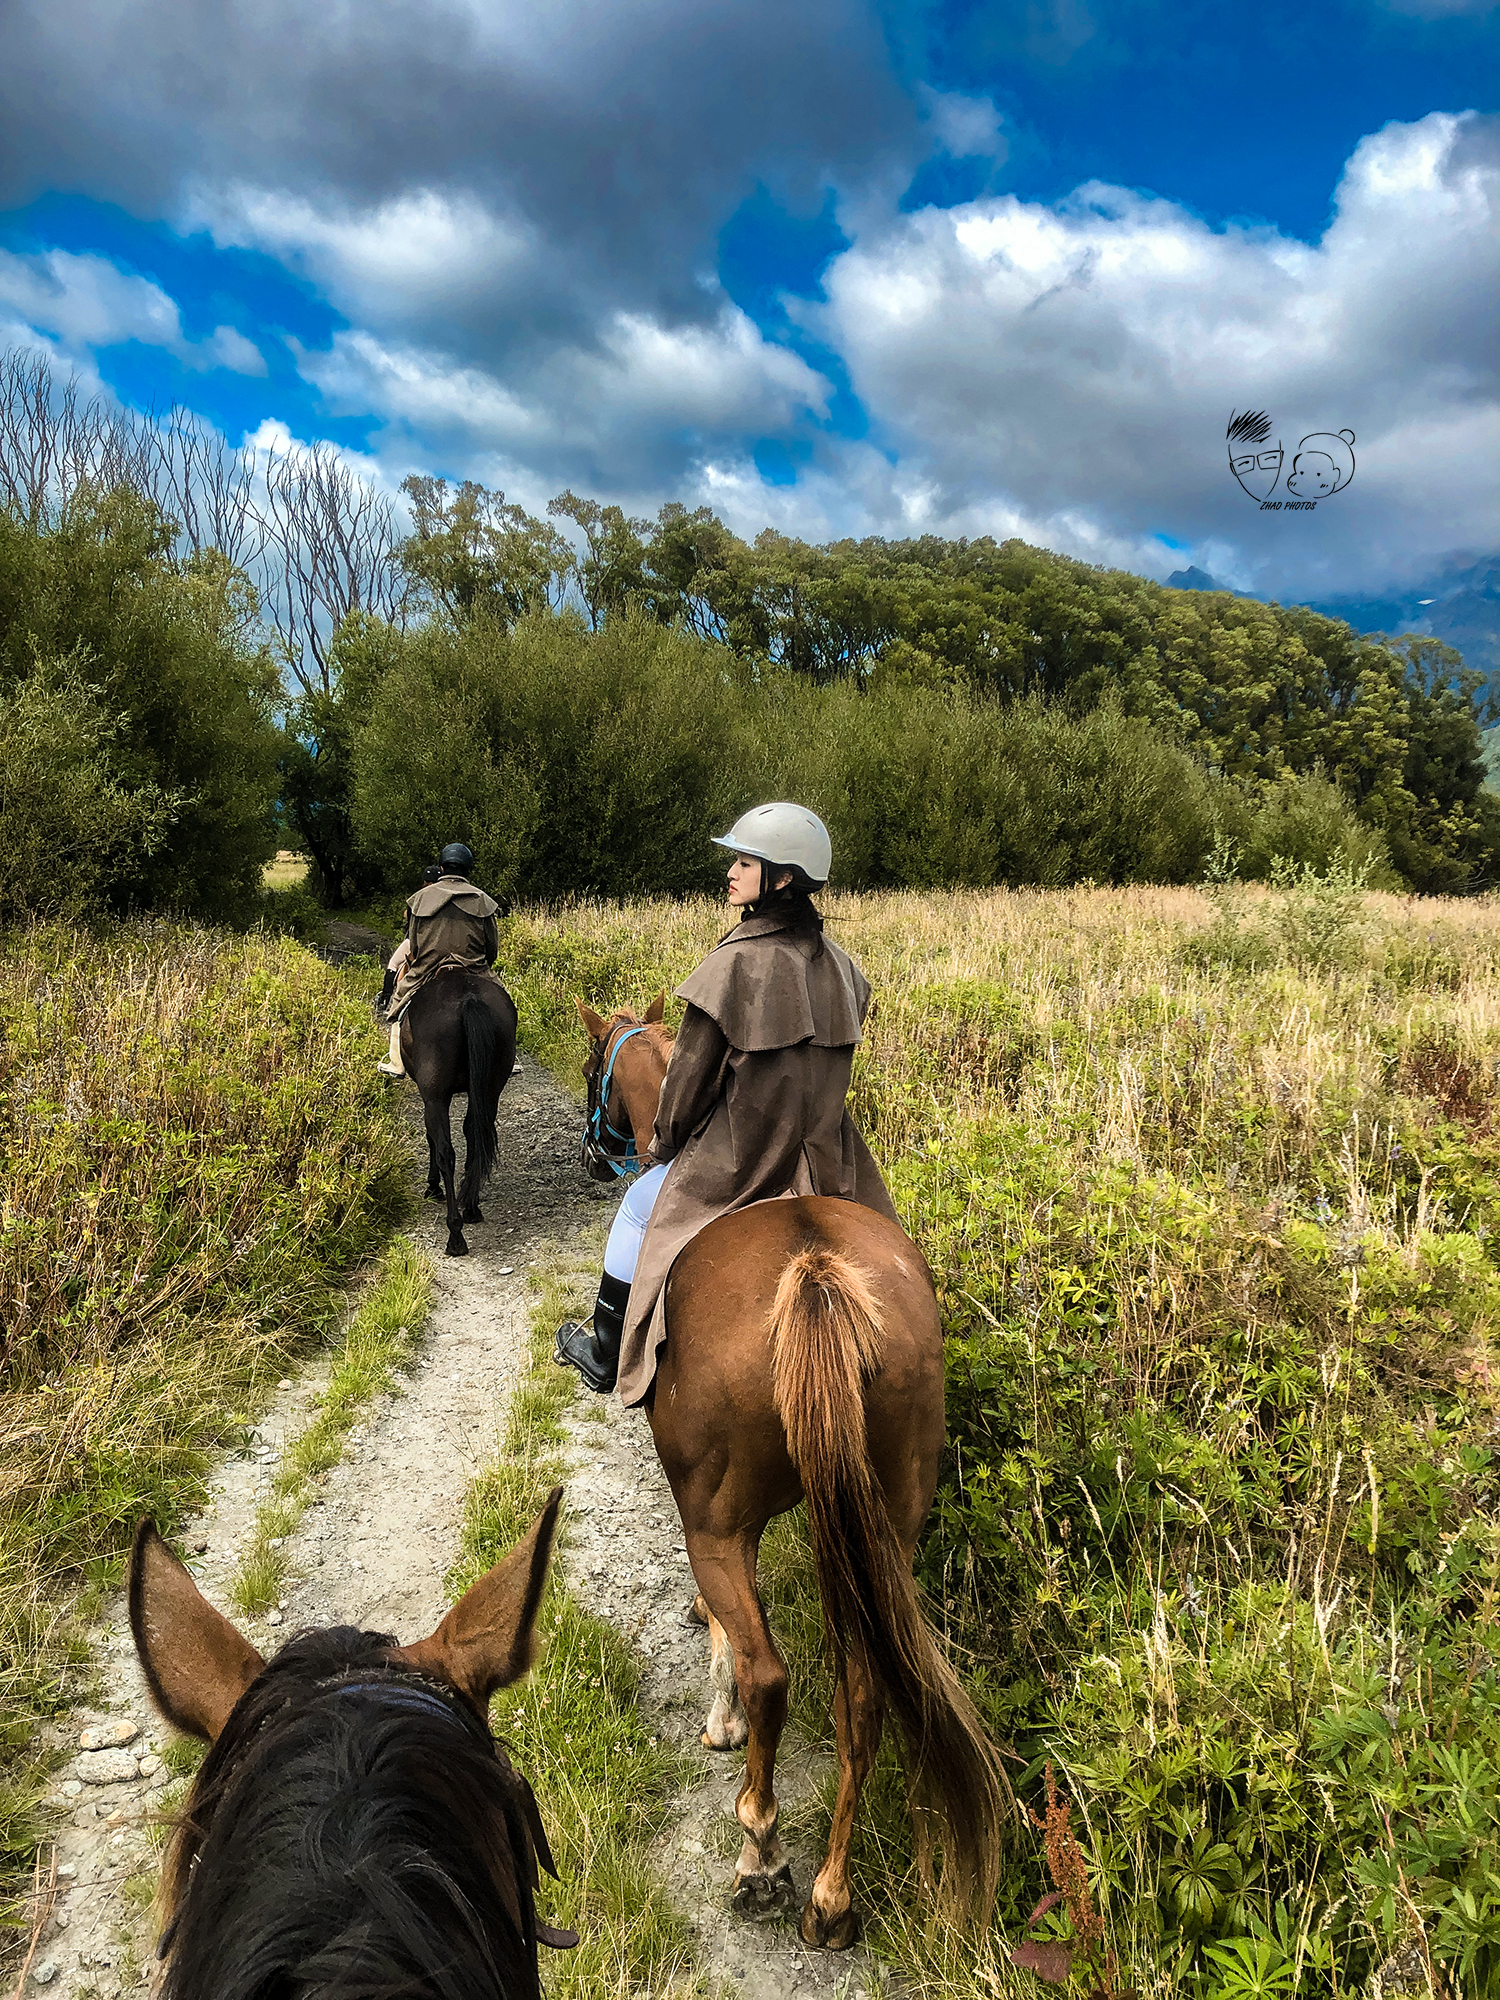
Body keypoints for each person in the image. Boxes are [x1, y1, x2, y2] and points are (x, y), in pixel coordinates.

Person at [554, 801, 897, 1399]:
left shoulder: (733, 964)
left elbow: (686, 1086)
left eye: (744, 861)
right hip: (828, 1156)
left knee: (638, 1205)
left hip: (742, 1159)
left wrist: (663, 1144)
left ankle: (606, 1348)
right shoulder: (845, 968)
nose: (730, 873)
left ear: (782, 877)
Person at [377, 843, 502, 1077]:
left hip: (427, 968)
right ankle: (507, 1056)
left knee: (399, 1002)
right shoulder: (482, 900)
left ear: (442, 867)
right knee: (503, 1004)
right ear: (467, 869)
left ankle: (396, 1062)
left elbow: (412, 943)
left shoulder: (420, 899)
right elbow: (491, 948)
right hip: (474, 968)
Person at [378, 863, 443, 1016]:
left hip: (417, 942)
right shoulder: (446, 898)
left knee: (393, 964)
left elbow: (407, 918)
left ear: (426, 881)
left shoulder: (417, 899)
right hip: (443, 942)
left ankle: (385, 1001)